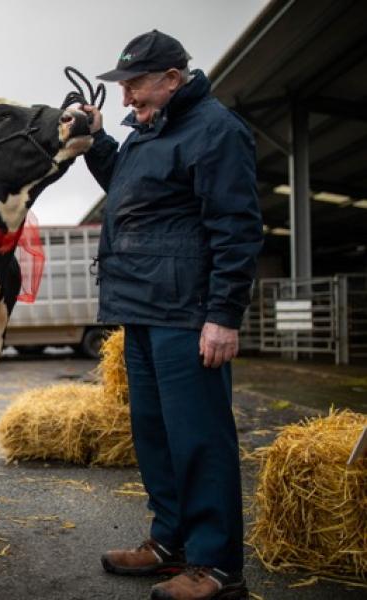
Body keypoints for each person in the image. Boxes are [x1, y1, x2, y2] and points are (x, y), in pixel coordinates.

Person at [81, 30, 263, 600]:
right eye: (125, 85)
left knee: (199, 438)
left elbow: (236, 228)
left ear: (173, 80)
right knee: (155, 435)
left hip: (187, 313)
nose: (128, 95)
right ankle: (171, 543)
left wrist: (223, 314)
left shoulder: (215, 131)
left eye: (136, 84)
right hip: (141, 307)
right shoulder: (145, 134)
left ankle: (216, 564)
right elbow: (131, 191)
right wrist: (96, 140)